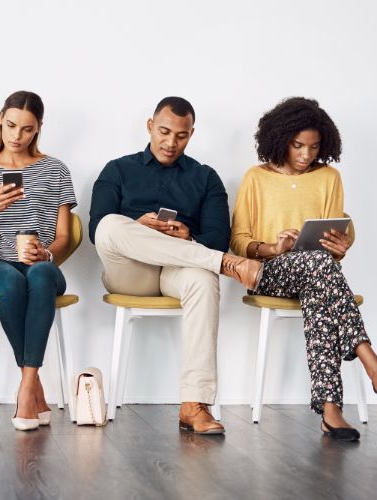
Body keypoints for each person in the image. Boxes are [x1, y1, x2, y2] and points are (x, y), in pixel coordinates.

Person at [89, 96, 263, 435]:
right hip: (130, 271)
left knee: (201, 278)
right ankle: (227, 265)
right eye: (164, 132)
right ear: (150, 126)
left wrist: (187, 236)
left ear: (191, 134)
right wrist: (137, 226)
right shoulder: (117, 169)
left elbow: (217, 235)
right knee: (111, 224)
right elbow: (97, 232)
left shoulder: (206, 177)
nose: (171, 143)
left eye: (181, 136)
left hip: (177, 269)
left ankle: (194, 405)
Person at [230, 97, 377, 441]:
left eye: (314, 147)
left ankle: (332, 412)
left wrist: (341, 245)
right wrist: (275, 248)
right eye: (298, 145)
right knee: (318, 265)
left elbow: (338, 230)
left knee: (319, 279)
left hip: (318, 274)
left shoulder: (329, 177)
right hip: (268, 274)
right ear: (280, 138)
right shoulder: (256, 178)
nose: (305, 154)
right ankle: (370, 358)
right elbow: (239, 241)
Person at [0, 91, 76, 431]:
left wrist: (48, 254)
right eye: (11, 125)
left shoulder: (55, 170)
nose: (16, 136)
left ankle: (26, 386)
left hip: (40, 263)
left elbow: (66, 238)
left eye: (27, 129)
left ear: (38, 129)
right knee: (12, 281)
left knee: (39, 275)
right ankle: (33, 386)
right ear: (0, 119)